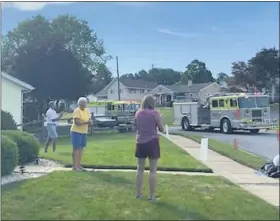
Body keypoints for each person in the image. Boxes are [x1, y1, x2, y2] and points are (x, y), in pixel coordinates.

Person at [134, 95, 164, 201]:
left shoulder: (138, 113)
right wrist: (161, 119)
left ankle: (138, 194)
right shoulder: (155, 113)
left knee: (140, 169)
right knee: (153, 170)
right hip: (152, 142)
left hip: (140, 142)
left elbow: (136, 127)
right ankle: (151, 196)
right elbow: (162, 129)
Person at [70, 97, 93, 171]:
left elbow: (89, 119)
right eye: (81, 105)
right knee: (76, 148)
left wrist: (90, 122)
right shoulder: (77, 111)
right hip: (76, 131)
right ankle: (74, 166)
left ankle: (78, 165)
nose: (83, 106)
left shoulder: (87, 110)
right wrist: (86, 122)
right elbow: (77, 122)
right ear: (78, 104)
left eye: (84, 105)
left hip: (84, 131)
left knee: (81, 148)